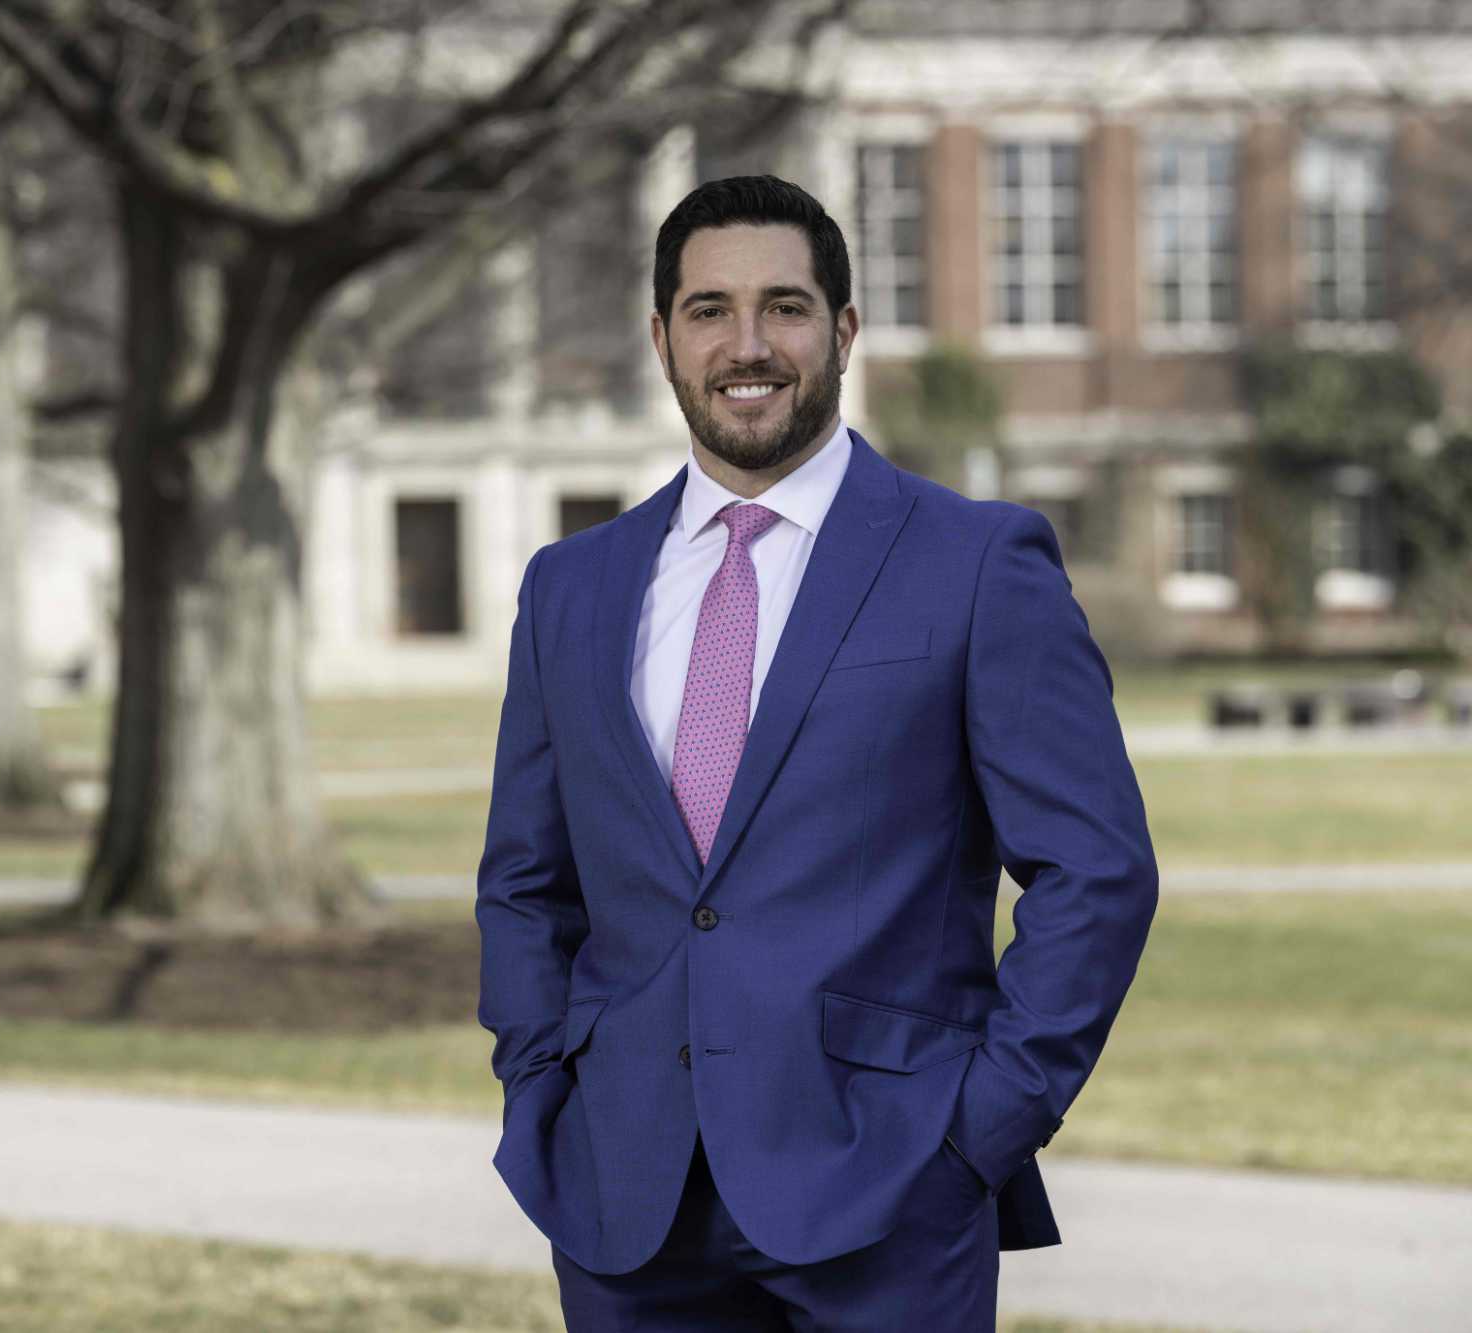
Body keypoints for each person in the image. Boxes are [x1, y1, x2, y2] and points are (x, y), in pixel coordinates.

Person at [474, 174, 1158, 1330]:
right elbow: (525, 881)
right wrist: (542, 1084)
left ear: (843, 330)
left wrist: (977, 1128)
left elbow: (1095, 873)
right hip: (625, 1197)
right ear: (660, 338)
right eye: (708, 311)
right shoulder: (568, 587)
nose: (747, 344)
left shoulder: (977, 562)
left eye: (784, 306)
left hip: (885, 1189)